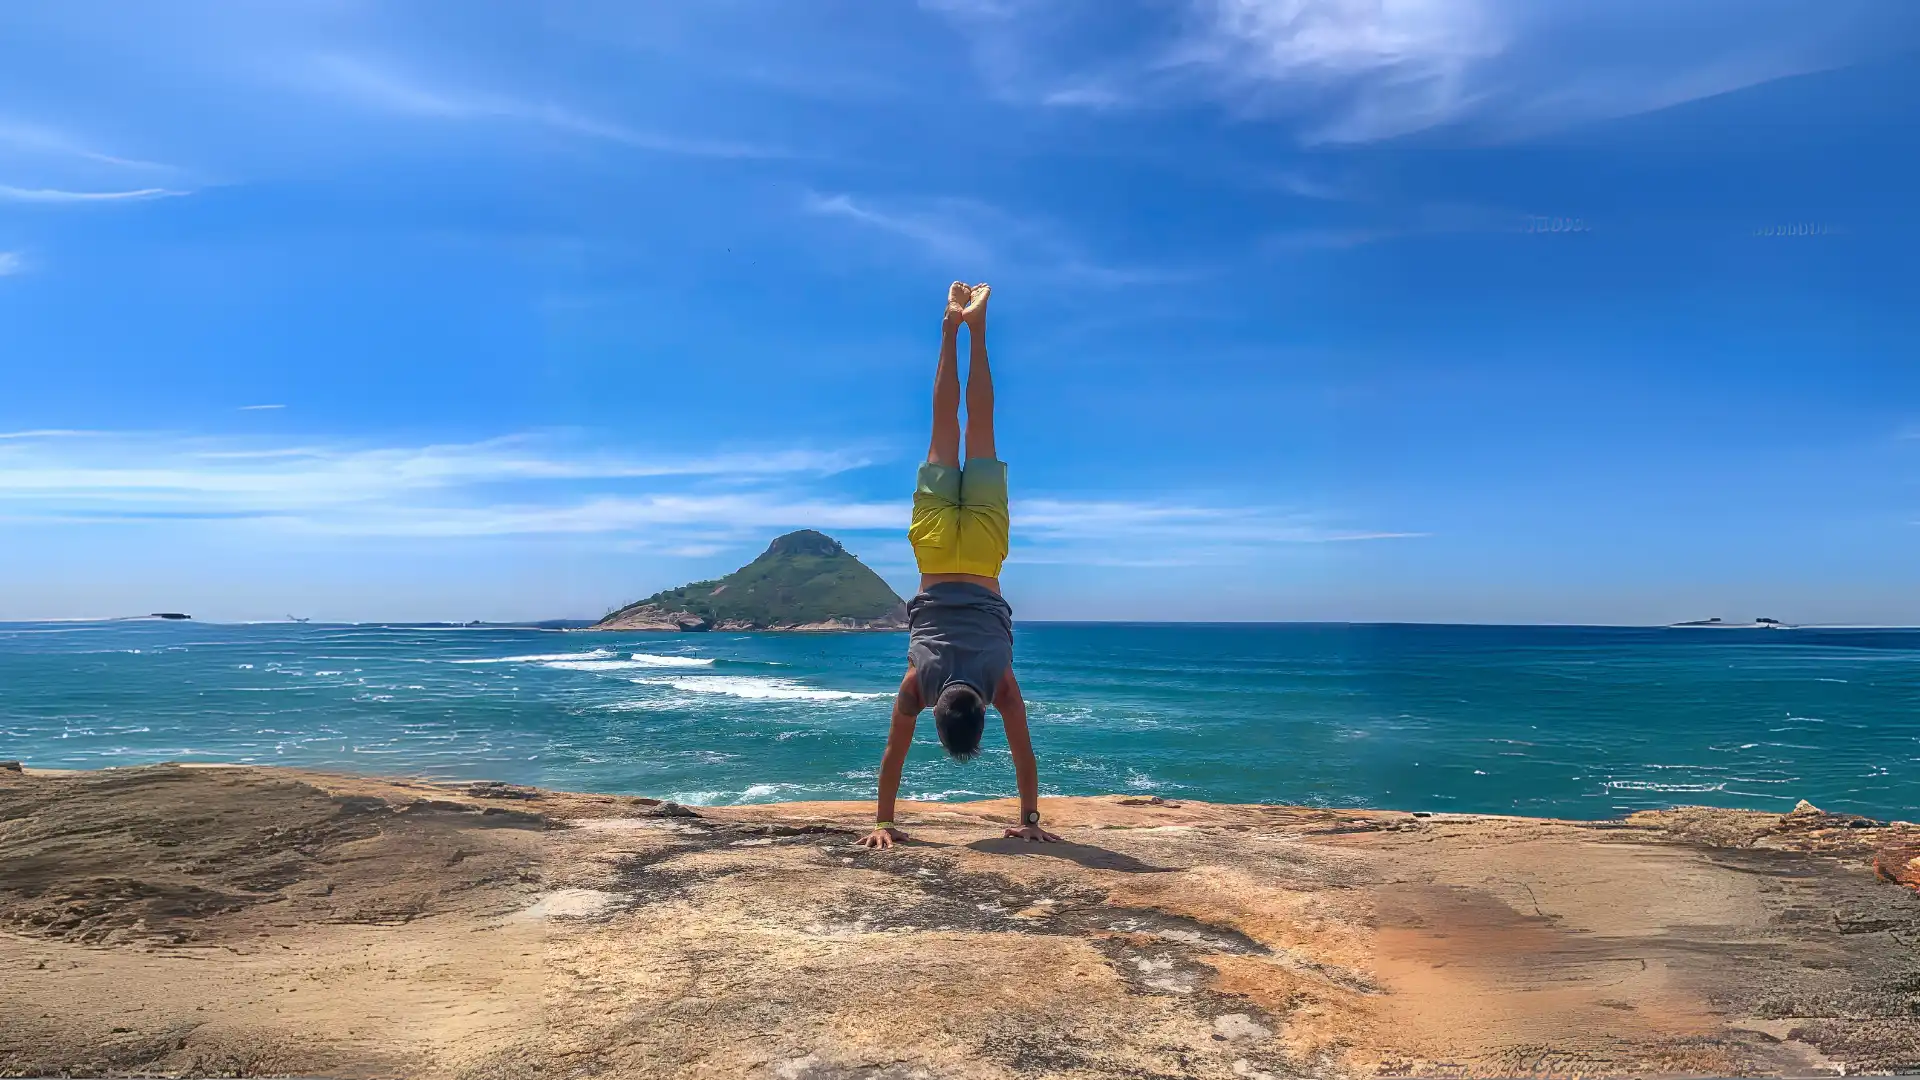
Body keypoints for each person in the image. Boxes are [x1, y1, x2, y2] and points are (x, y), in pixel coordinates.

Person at [859, 282, 1061, 850]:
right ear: (939, 713)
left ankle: (974, 327)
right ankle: (952, 326)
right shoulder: (916, 687)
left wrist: (1029, 817)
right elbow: (894, 751)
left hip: (981, 555)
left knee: (980, 424)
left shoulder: (1000, 685)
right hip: (934, 555)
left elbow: (1024, 751)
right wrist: (882, 821)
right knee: (943, 425)